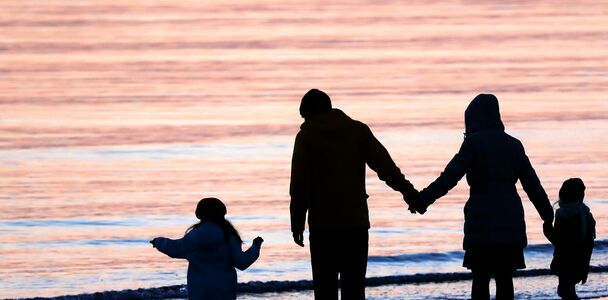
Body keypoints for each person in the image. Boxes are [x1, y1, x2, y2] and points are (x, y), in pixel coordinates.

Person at [416, 94, 554, 300]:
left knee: (480, 277)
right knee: (505, 278)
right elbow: (532, 185)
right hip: (510, 219)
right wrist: (546, 214)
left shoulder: (473, 143)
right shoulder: (514, 145)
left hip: (481, 220)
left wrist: (423, 199)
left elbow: (450, 177)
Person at [289, 89, 420, 300]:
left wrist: (297, 222)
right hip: (355, 224)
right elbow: (386, 168)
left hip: (323, 226)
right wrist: (409, 193)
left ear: (312, 111)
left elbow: (299, 184)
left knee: (324, 291)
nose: (305, 121)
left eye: (306, 116)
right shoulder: (357, 130)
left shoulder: (306, 136)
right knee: (355, 290)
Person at [150, 197, 262, 300]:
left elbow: (175, 248)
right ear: (222, 214)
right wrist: (255, 247)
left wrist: (158, 242)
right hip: (225, 290)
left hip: (200, 291)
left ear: (198, 215)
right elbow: (241, 262)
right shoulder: (229, 236)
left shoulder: (194, 236)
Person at [543, 178, 596, 300]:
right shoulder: (585, 213)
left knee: (565, 290)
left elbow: (559, 240)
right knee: (567, 289)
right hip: (580, 259)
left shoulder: (564, 214)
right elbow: (589, 240)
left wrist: (547, 228)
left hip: (565, 259)